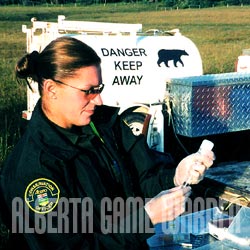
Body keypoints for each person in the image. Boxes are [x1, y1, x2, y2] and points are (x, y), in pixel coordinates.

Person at [0, 36, 214, 250]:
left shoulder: (104, 124)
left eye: (99, 88)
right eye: (88, 91)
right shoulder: (35, 168)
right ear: (51, 89)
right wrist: (144, 219)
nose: (98, 100)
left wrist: (176, 175)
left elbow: (144, 176)